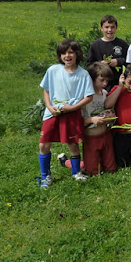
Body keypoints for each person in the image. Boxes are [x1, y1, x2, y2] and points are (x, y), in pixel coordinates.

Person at [37, 39, 94, 187]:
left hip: (71, 114)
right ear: (60, 56)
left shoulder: (83, 74)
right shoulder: (53, 70)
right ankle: (45, 176)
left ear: (77, 54)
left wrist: (73, 108)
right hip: (52, 113)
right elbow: (46, 91)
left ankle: (76, 173)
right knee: (44, 145)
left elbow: (89, 96)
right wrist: (49, 107)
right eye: (63, 53)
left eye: (70, 52)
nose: (67, 56)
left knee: (72, 144)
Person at [80, 63, 117, 176]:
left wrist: (110, 117)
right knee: (92, 171)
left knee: (111, 169)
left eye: (107, 81)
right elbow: (77, 120)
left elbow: (107, 109)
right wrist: (91, 120)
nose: (105, 83)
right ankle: (69, 162)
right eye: (102, 80)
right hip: (90, 136)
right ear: (92, 78)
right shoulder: (84, 96)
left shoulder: (104, 93)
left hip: (105, 134)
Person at [86, 14, 129, 92]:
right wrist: (100, 64)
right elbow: (89, 65)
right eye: (106, 27)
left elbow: (129, 60)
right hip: (101, 83)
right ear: (101, 28)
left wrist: (118, 61)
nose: (109, 30)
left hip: (117, 81)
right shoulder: (95, 45)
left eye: (112, 27)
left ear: (116, 28)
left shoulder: (122, 44)